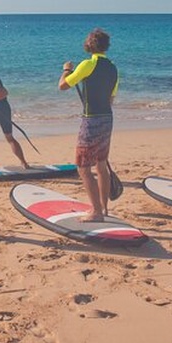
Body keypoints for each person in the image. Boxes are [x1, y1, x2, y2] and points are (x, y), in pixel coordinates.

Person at [58, 28, 118, 221]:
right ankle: (104, 209)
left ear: (90, 44)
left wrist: (66, 69)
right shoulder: (112, 67)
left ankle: (96, 211)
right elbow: (110, 99)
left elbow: (63, 85)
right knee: (101, 165)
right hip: (107, 118)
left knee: (83, 167)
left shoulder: (87, 64)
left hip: (91, 119)